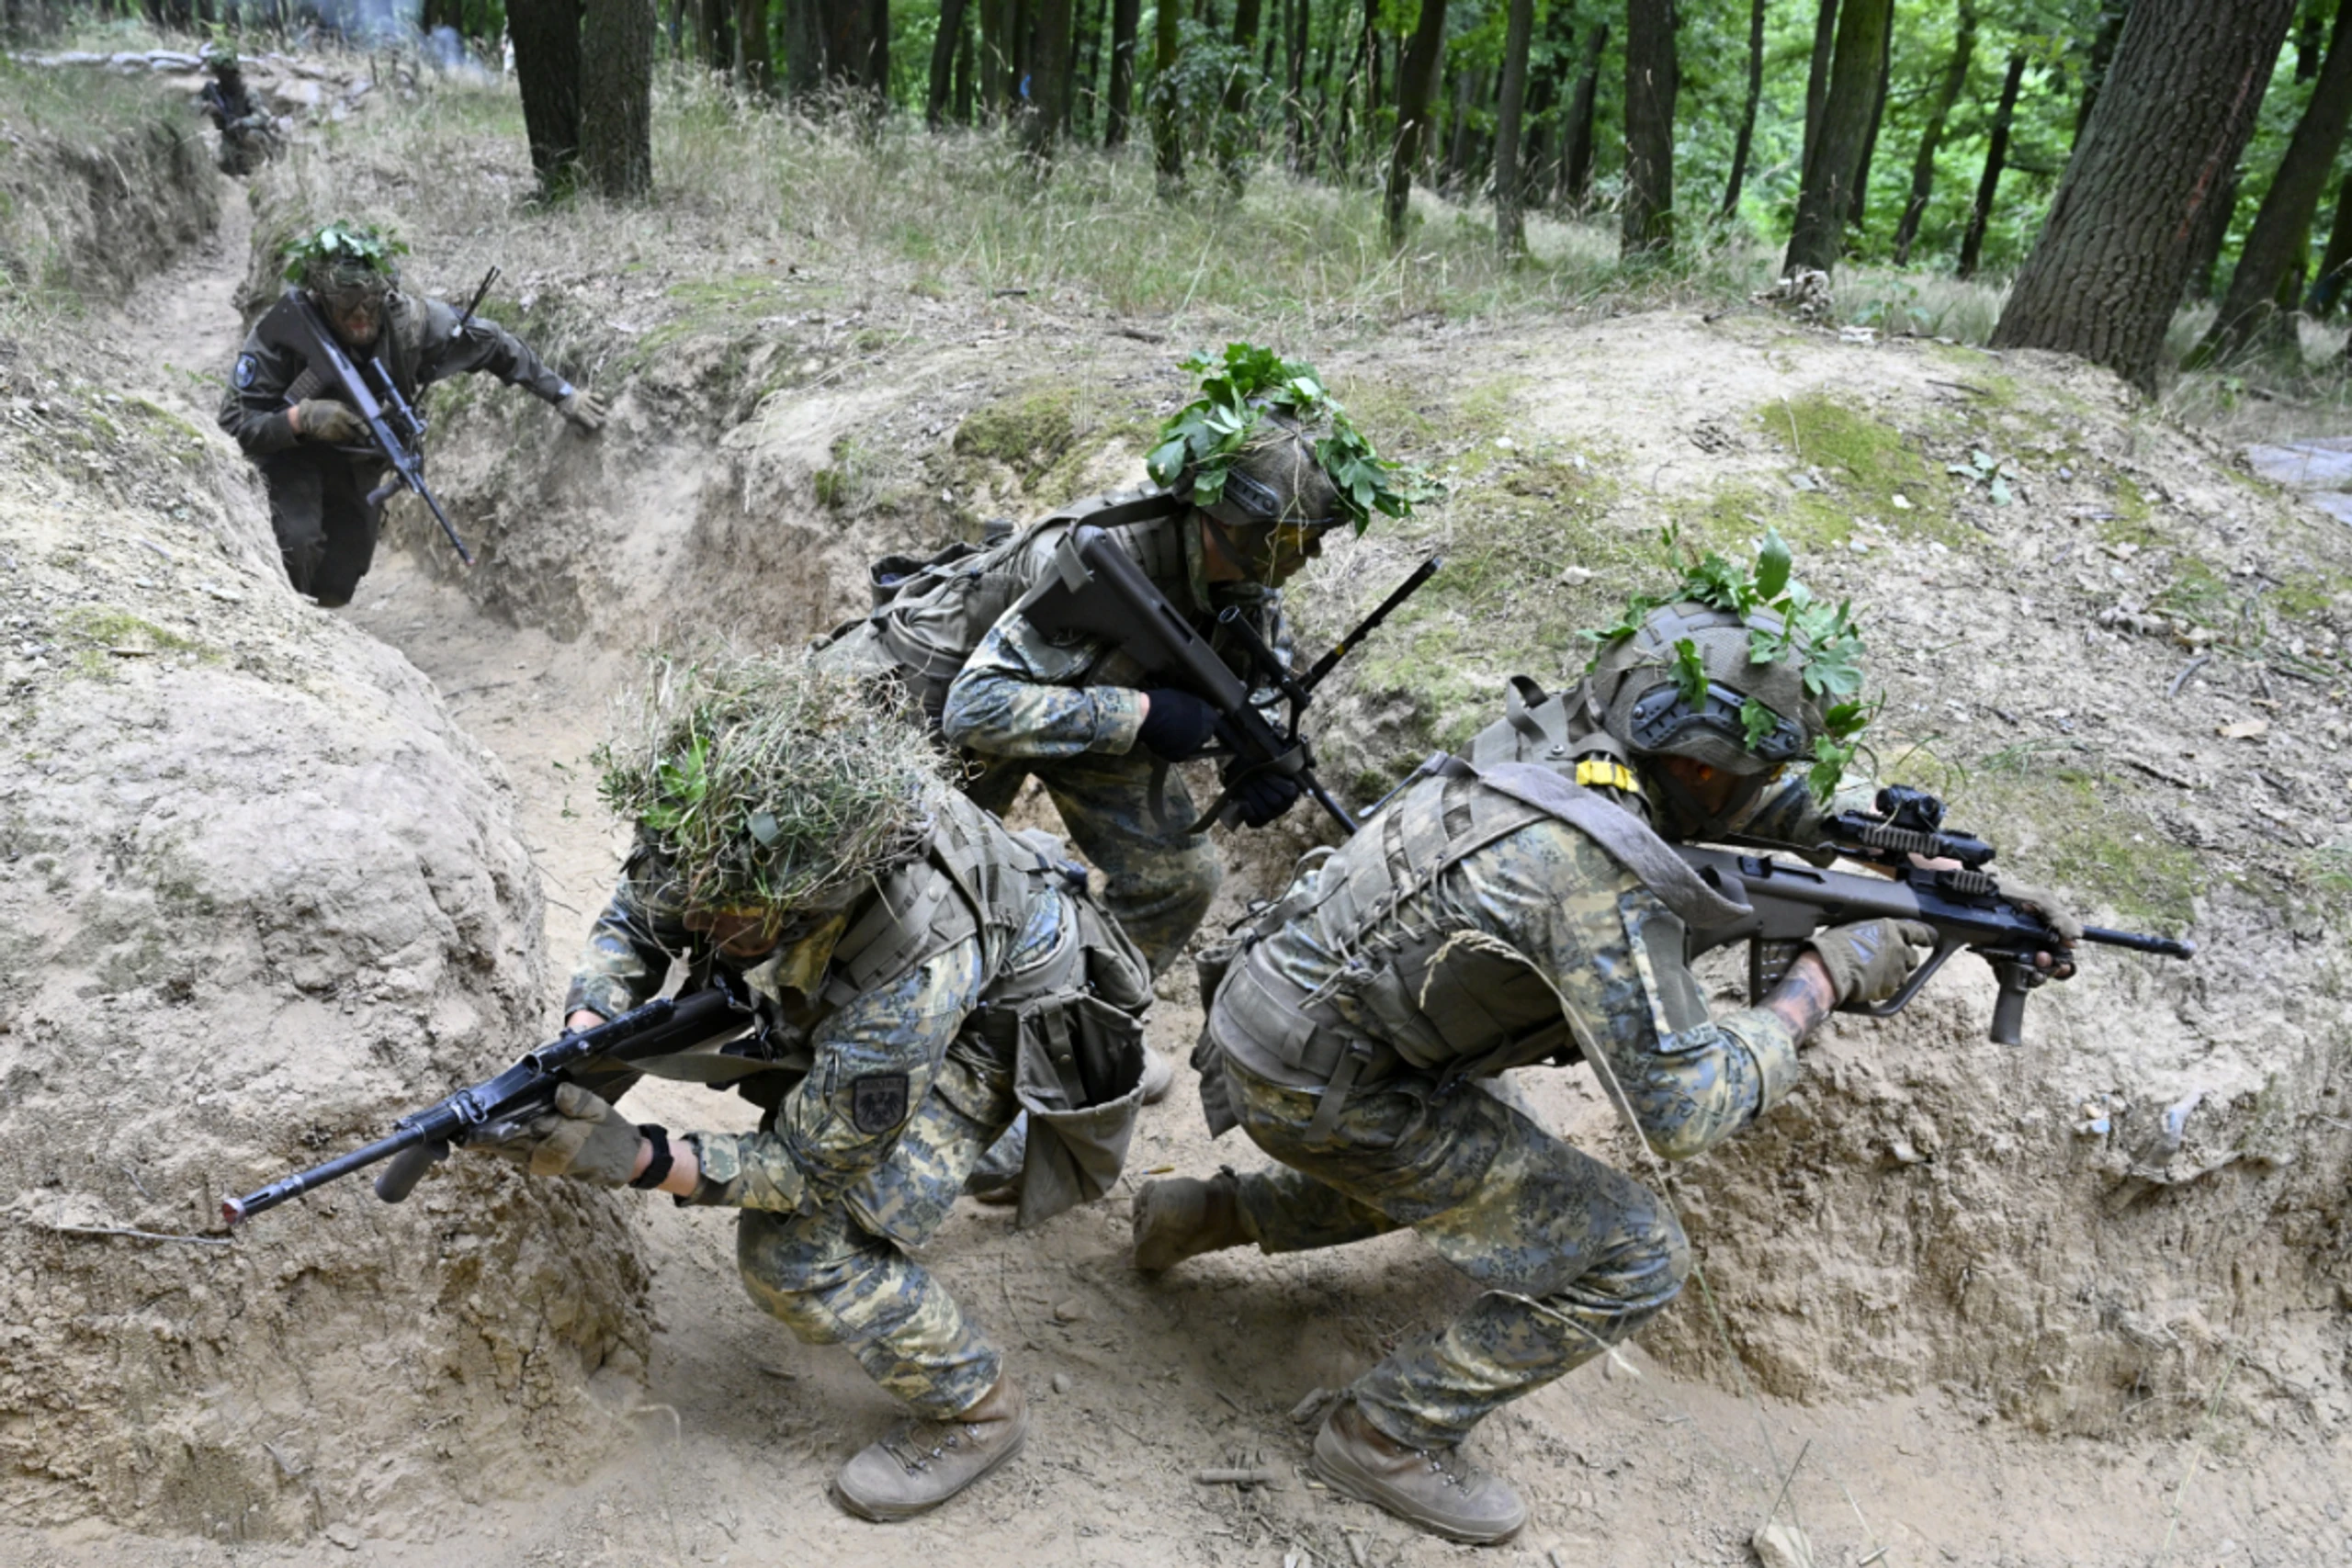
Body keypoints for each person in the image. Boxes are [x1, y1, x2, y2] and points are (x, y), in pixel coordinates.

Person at [1128, 551, 2080, 1545]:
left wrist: (1857, 842)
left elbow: (1710, 799)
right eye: (1762, 771)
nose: (1768, 788)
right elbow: (1682, 1110)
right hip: (1320, 1083)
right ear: (1700, 762)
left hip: (1276, 1020)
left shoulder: (1565, 740)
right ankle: (1384, 1435)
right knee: (1637, 1254)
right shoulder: (1590, 877)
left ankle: (1206, 1214)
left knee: (1494, 1142)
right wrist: (1820, 982)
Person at [465, 653, 1154, 1523]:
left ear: (804, 903)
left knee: (795, 1254)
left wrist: (634, 1155)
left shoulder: (908, 971)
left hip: (998, 1024)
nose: (698, 922)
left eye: (727, 921)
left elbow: (799, 1170)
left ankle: (977, 1405)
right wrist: (590, 1019)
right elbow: (639, 912)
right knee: (824, 1084)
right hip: (932, 976)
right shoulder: (729, 818)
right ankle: (973, 1153)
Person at [816, 343, 1409, 978]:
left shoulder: (1246, 580)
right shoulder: (1101, 562)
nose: (1310, 555)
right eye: (1296, 537)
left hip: (1069, 696)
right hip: (933, 703)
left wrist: (1256, 756)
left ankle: (1080, 1023)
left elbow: (1255, 681)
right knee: (908, 887)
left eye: (1315, 539)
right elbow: (974, 709)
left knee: (1181, 878)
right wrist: (1146, 712)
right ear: (1238, 522)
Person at [217, 220, 607, 608]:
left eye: (370, 302)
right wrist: (299, 420)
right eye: (345, 305)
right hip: (288, 454)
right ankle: (287, 619)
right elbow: (234, 426)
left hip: (356, 458)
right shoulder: (281, 333)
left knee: (341, 576)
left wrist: (564, 395)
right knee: (296, 544)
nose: (360, 315)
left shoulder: (410, 323)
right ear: (319, 296)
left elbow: (495, 344)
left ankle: (327, 634)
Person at [198, 51, 281, 176]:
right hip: (229, 138)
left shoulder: (248, 91)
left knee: (250, 135)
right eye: (220, 74)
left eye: (227, 75)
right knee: (220, 161)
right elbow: (194, 105)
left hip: (252, 136)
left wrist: (243, 122)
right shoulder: (216, 92)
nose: (224, 79)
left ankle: (257, 164)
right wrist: (209, 108)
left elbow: (263, 116)